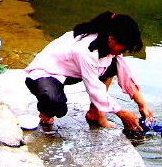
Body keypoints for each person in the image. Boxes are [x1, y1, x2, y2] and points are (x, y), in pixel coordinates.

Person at [25, 11, 155, 130]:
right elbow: (94, 88)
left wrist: (142, 103)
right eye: (123, 48)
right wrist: (122, 113)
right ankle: (46, 111)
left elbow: (126, 75)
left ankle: (95, 113)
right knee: (56, 106)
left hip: (71, 72)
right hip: (45, 73)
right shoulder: (85, 50)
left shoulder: (108, 44)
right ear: (112, 38)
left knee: (114, 65)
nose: (123, 52)